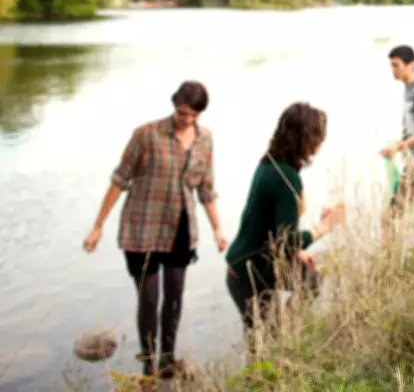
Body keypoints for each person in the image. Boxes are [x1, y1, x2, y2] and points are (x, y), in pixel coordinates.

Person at [82, 80, 227, 380]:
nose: (186, 119)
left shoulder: (206, 139)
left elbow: (206, 188)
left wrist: (218, 229)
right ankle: (149, 366)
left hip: (181, 229)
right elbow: (120, 179)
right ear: (174, 105)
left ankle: (168, 360)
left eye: (192, 115)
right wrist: (97, 226)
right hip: (142, 230)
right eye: (181, 112)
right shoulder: (146, 135)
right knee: (149, 300)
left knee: (174, 297)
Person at [225, 102, 345, 348]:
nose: (321, 143)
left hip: (243, 267)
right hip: (250, 274)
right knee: (266, 348)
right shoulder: (287, 178)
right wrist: (324, 227)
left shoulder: (269, 163)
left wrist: (298, 252)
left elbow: (271, 228)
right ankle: (287, 334)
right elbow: (286, 241)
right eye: (318, 136)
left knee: (265, 343)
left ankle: (286, 334)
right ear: (306, 138)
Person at [379, 45, 414, 238]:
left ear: (411, 65)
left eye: (396, 65)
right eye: (391, 66)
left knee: (391, 216)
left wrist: (400, 147)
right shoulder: (409, 91)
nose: (393, 70)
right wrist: (396, 146)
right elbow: (413, 132)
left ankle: (389, 253)